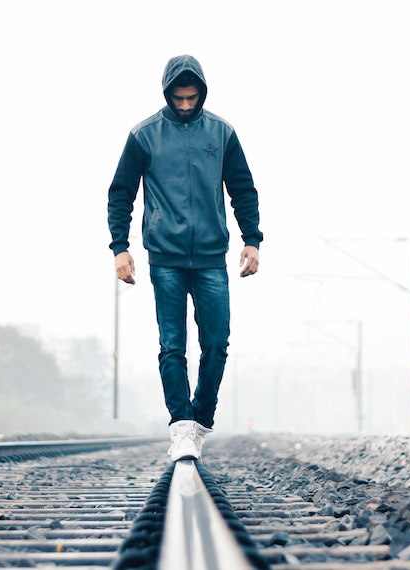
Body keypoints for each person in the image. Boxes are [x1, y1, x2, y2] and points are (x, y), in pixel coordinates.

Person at [107, 54, 263, 461]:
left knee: (217, 343)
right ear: (166, 94)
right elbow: (120, 193)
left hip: (212, 256)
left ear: (202, 94)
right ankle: (181, 427)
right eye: (178, 98)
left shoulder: (222, 133)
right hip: (166, 257)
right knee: (172, 345)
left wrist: (252, 240)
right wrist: (120, 248)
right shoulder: (144, 136)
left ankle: (200, 421)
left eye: (192, 98)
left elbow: (243, 190)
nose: (186, 105)